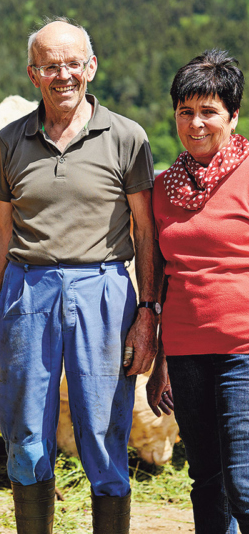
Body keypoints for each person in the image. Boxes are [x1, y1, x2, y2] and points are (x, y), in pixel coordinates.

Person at [0, 17, 160, 534]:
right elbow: (3, 235)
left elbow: (145, 234)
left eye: (73, 63)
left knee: (101, 432)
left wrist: (147, 313)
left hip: (104, 291)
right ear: (33, 74)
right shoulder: (9, 140)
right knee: (25, 434)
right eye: (51, 66)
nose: (63, 74)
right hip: (27, 292)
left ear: (91, 67)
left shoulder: (127, 138)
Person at [147, 49, 249, 533]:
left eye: (209, 111)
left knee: (244, 484)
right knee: (206, 480)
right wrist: (160, 361)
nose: (196, 123)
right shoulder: (163, 187)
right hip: (186, 352)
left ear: (233, 116)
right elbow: (163, 276)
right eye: (185, 112)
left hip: (242, 350)